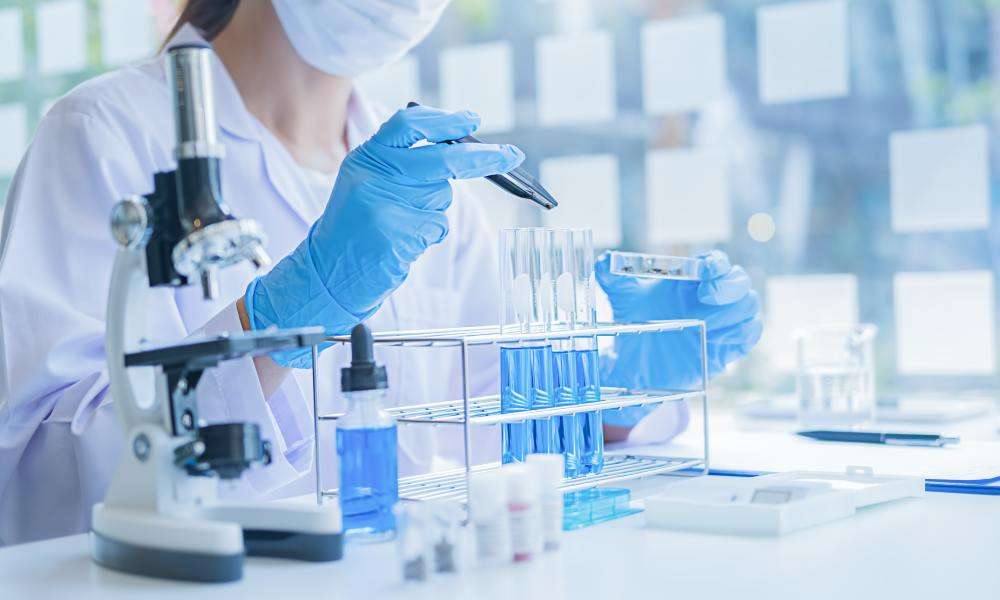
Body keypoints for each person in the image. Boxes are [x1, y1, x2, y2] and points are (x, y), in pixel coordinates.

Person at [0, 0, 762, 546]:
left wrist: (622, 387)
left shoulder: (422, 179)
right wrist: (275, 324)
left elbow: (492, 433)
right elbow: (40, 486)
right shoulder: (105, 134)